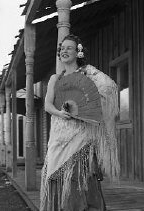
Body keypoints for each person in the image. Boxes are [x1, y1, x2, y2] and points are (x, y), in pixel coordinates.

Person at [40, 34, 120, 211]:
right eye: (62, 48)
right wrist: (60, 113)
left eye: (69, 48)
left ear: (78, 52)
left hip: (81, 136)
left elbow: (108, 87)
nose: (64, 51)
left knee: (79, 176)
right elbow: (47, 105)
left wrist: (85, 109)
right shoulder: (55, 78)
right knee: (54, 173)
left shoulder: (88, 73)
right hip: (59, 135)